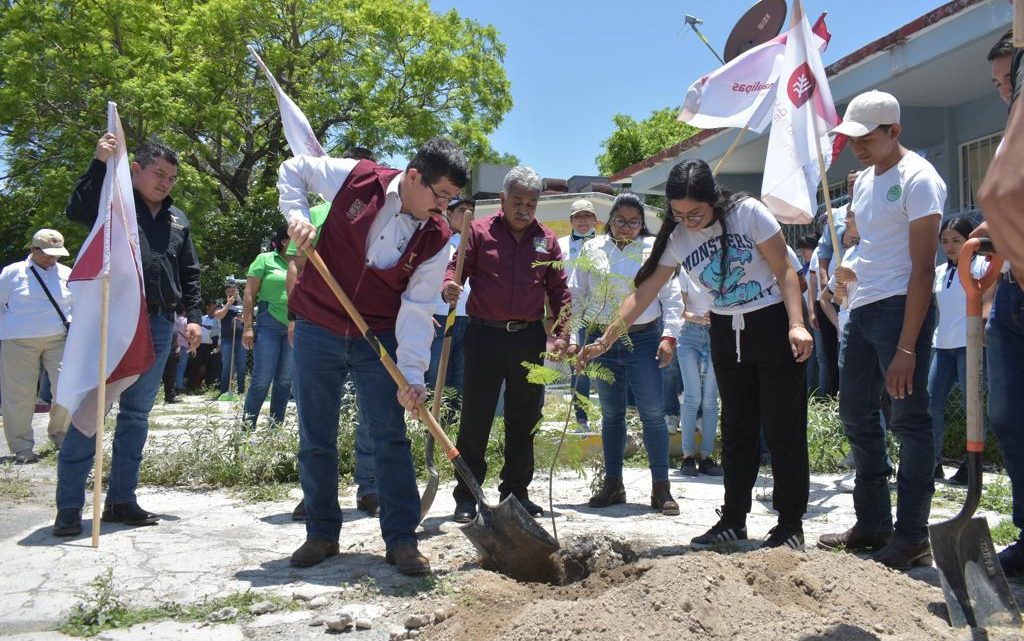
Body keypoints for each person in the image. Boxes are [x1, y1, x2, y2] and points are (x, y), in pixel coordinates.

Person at [579, 159, 813, 550]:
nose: (687, 220)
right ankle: (734, 520)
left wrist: (796, 323)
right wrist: (606, 338)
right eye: (677, 213)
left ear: (714, 200)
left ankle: (790, 526)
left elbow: (786, 270)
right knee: (736, 429)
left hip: (772, 324)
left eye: (695, 213)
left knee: (782, 427)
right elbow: (644, 291)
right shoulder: (676, 239)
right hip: (723, 330)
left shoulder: (748, 213)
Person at [280, 137, 469, 574]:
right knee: (316, 436)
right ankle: (322, 533)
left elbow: (419, 308)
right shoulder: (359, 177)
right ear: (414, 176)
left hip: (377, 338)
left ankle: (401, 539)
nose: (443, 207)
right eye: (438, 195)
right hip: (317, 325)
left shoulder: (438, 237)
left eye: (450, 199)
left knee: (389, 437)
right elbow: (294, 169)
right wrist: (298, 216)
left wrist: (411, 376)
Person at [816, 91, 946, 570]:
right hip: (862, 309)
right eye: (851, 139)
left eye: (866, 138)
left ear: (895, 132)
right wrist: (843, 276)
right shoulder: (865, 181)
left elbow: (921, 271)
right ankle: (873, 522)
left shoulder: (921, 180)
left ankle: (912, 536)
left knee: (909, 421)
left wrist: (908, 347)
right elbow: (864, 244)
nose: (857, 147)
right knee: (854, 413)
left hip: (901, 312)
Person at [54, 135, 202, 537]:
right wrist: (100, 162)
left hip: (157, 323)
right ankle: (68, 506)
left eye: (172, 177)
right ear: (135, 169)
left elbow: (189, 272)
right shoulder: (112, 201)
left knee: (137, 415)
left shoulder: (178, 219)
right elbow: (76, 210)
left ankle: (122, 499)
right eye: (159, 174)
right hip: (116, 318)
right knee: (91, 411)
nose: (166, 182)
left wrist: (193, 318)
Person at [443, 165, 571, 523]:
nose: (524, 209)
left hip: (528, 338)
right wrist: (449, 285)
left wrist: (562, 333)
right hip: (484, 335)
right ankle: (467, 495)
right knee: (476, 417)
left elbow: (559, 291)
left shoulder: (547, 240)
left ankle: (516, 491)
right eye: (517, 201)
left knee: (524, 417)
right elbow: (456, 269)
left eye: (531, 203)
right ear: (502, 199)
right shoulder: (479, 232)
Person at [570, 192, 682, 514]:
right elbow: (578, 294)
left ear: (642, 224)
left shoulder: (653, 251)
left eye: (634, 222)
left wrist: (669, 336)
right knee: (611, 415)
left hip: (644, 340)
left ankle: (661, 488)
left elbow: (671, 297)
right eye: (620, 221)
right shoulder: (592, 249)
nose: (626, 228)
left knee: (652, 414)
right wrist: (578, 338)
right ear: (609, 222)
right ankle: (613, 484)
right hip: (600, 343)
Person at [974, 30, 1024, 577]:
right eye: (997, 83)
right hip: (1012, 292)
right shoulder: (1011, 133)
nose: (1005, 91)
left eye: (1011, 78)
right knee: (1010, 417)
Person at [0, 228, 73, 462]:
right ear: (33, 249)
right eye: (49, 253)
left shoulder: (67, 273)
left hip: (58, 339)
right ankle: (22, 447)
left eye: (57, 253)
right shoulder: (11, 273)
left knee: (67, 388)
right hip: (18, 340)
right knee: (19, 395)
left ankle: (61, 435)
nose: (53, 258)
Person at [927, 217, 989, 484]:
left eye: (956, 240)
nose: (950, 247)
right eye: (945, 241)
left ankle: (971, 465)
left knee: (972, 407)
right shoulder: (939, 271)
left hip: (969, 344)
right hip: (942, 346)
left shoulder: (981, 265)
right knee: (931, 404)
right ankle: (932, 461)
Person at [241, 226, 294, 429]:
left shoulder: (300, 262)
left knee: (284, 381)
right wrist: (248, 327)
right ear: (283, 241)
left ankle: (275, 431)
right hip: (268, 323)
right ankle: (246, 430)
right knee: (262, 378)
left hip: (293, 323)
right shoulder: (265, 259)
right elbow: (249, 293)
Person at [425, 195, 476, 406]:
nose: (468, 216)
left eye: (471, 211)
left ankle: (453, 427)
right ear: (449, 213)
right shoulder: (439, 240)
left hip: (468, 319)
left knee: (461, 379)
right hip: (440, 316)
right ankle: (429, 428)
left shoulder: (477, 243)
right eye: (462, 210)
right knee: (436, 374)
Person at [677, 271, 722, 477]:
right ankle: (687, 457)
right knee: (692, 397)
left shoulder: (722, 266)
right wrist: (699, 318)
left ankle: (706, 458)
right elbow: (681, 309)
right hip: (689, 335)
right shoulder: (686, 269)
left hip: (717, 334)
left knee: (710, 401)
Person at [558, 199, 598, 431]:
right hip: (571, 312)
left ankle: (615, 414)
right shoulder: (560, 245)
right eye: (578, 217)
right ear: (571, 220)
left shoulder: (607, 244)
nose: (583, 221)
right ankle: (581, 418)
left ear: (595, 220)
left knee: (610, 366)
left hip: (602, 311)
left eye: (587, 216)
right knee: (579, 366)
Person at [214, 282, 246, 395]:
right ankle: (225, 391)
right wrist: (228, 304)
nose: (231, 292)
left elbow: (248, 318)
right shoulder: (221, 302)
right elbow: (218, 315)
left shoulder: (243, 303)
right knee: (227, 365)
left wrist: (242, 319)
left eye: (233, 290)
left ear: (237, 290)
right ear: (226, 292)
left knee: (241, 364)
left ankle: (241, 390)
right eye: (229, 290)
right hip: (227, 338)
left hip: (241, 338)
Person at [186, 300, 221, 392]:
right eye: (213, 306)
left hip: (212, 346)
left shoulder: (218, 320)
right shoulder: (201, 319)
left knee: (212, 367)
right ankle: (191, 387)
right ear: (207, 307)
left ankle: (210, 387)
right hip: (200, 346)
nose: (214, 309)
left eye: (216, 307)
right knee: (195, 366)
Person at [161, 313, 188, 404]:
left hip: (173, 347)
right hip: (162, 345)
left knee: (171, 373)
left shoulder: (174, 317)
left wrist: (177, 345)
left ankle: (170, 396)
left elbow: (174, 332)